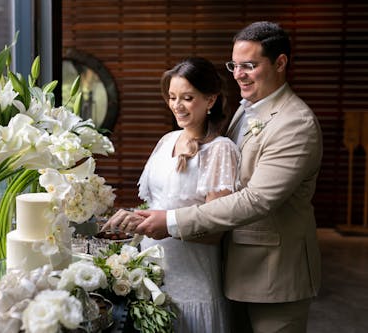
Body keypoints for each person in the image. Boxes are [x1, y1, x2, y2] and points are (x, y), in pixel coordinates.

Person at [107, 21, 323, 333]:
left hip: (273, 275)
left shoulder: (295, 123)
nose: (238, 74)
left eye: (249, 65)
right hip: (228, 268)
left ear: (280, 63)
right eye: (234, 65)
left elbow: (257, 199)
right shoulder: (246, 109)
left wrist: (169, 221)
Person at [107, 57, 240, 332]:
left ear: (210, 100)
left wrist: (166, 225)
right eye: (172, 97)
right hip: (151, 280)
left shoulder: (220, 151)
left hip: (193, 284)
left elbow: (216, 229)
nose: (177, 106)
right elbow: (157, 204)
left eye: (188, 98)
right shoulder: (167, 140)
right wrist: (132, 216)